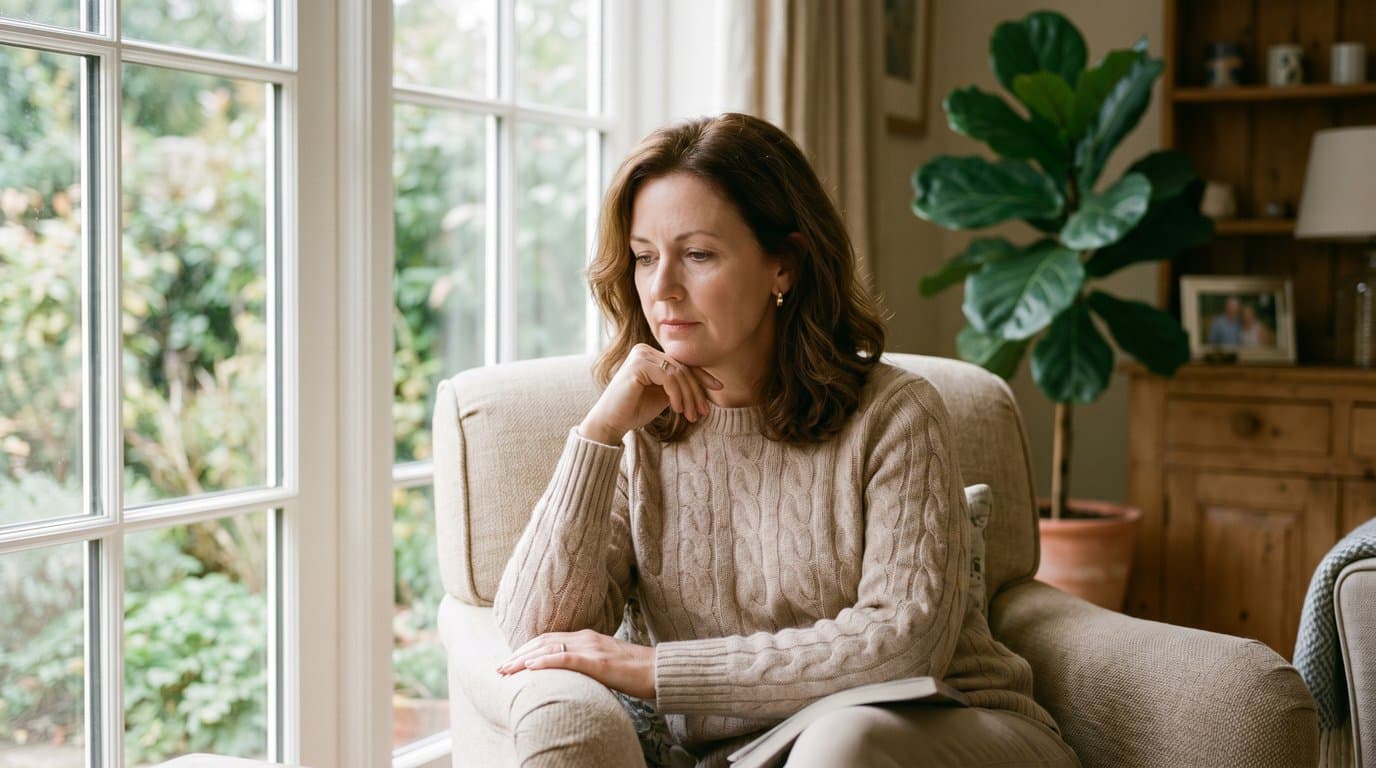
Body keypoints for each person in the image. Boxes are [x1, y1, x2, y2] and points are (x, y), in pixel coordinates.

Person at [492, 113, 1079, 767]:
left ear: (785, 264)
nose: (662, 289)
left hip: (946, 730)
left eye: (697, 255)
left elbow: (902, 645)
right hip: (756, 756)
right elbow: (534, 638)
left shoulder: (896, 414)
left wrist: (658, 670)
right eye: (644, 257)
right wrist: (598, 433)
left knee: (841, 742)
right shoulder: (639, 434)